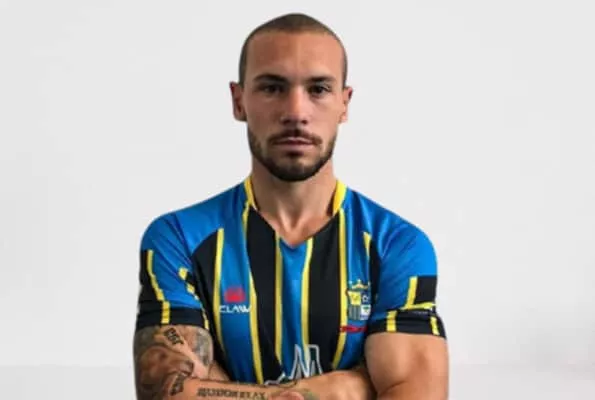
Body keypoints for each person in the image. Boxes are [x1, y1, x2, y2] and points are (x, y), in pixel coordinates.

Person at [132, 12, 449, 400]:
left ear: (344, 103)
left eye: (318, 89)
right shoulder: (180, 238)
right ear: (238, 101)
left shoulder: (396, 244)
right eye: (272, 88)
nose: (296, 112)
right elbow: (166, 391)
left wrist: (218, 387)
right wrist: (344, 387)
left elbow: (418, 392)